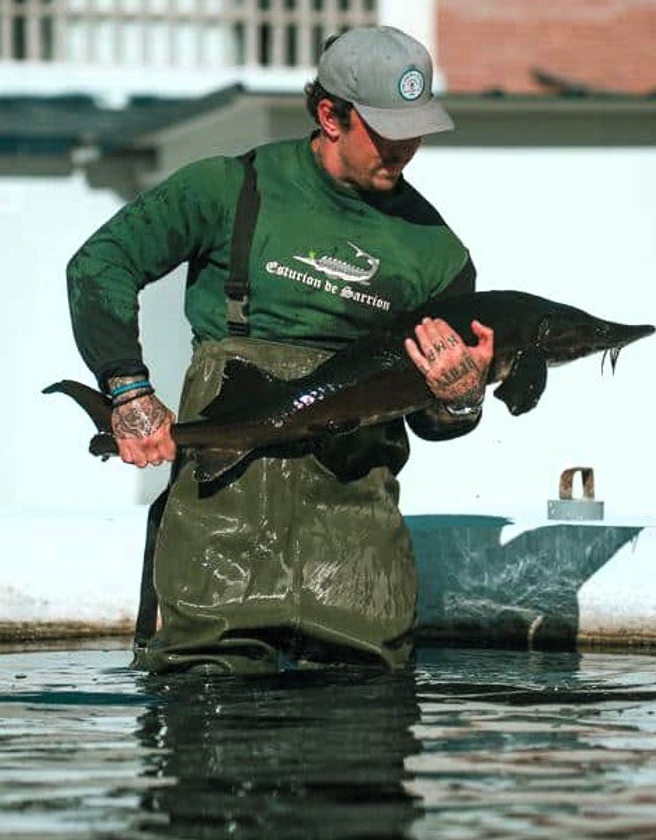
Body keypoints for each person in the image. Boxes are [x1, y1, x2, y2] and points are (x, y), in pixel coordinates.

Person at [66, 25, 494, 674]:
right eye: (386, 130)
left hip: (357, 562)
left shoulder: (439, 254)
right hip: (220, 533)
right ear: (329, 114)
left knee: (365, 741)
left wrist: (461, 400)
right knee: (205, 731)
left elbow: (431, 423)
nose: (405, 147)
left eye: (416, 128)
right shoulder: (229, 190)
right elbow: (101, 264)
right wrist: (127, 390)